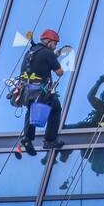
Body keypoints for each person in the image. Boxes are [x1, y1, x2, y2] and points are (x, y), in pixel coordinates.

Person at [17, 29, 66, 157]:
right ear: (49, 41)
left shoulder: (31, 51)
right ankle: (50, 140)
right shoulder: (48, 53)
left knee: (31, 110)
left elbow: (38, 65)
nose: (55, 46)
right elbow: (59, 72)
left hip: (26, 92)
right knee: (56, 108)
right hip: (41, 92)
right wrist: (55, 60)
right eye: (55, 44)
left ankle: (27, 138)